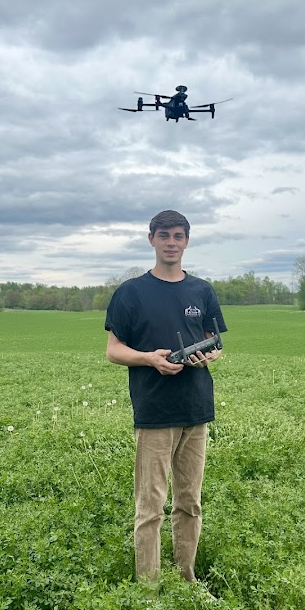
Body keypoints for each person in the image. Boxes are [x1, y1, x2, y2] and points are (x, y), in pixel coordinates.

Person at [104, 209, 227, 587]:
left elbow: (216, 341)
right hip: (155, 411)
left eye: (178, 236)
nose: (171, 243)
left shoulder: (202, 290)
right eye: (164, 235)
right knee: (150, 507)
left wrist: (209, 354)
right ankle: (150, 591)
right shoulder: (131, 292)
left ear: (187, 241)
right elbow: (113, 350)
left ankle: (186, 578)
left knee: (189, 503)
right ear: (151, 239)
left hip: (196, 408)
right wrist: (149, 359)